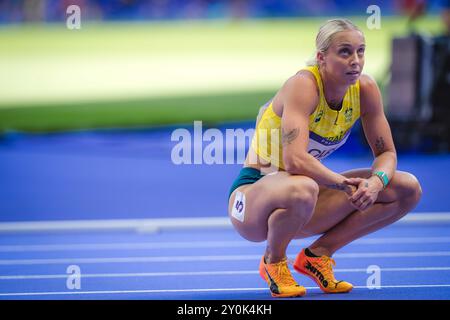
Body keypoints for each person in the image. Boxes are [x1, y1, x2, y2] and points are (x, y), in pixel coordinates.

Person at [227, 19, 422, 298]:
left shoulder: (365, 90)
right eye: (345, 52)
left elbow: (387, 153)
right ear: (322, 57)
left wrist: (376, 183)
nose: (355, 61)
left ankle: (318, 255)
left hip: (304, 202)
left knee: (407, 188)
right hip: (252, 200)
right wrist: (343, 184)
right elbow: (294, 160)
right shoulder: (303, 85)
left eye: (361, 51)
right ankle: (273, 261)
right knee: (304, 186)